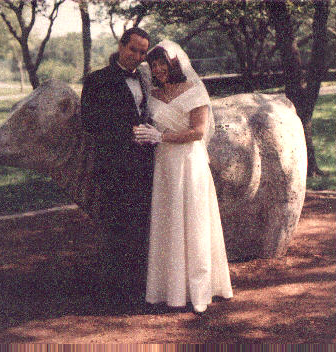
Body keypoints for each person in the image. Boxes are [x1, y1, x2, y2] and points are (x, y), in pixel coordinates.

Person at [134, 40, 233, 313]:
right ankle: (170, 289)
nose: (157, 69)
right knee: (169, 222)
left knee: (193, 221)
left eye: (162, 64)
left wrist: (161, 136)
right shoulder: (154, 93)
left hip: (189, 163)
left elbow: (199, 131)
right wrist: (146, 135)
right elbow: (154, 124)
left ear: (174, 64)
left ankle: (200, 289)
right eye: (153, 65)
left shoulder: (194, 90)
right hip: (164, 164)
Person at [80, 28, 154, 303]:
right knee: (117, 227)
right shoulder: (97, 80)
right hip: (114, 167)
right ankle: (117, 292)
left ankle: (140, 286)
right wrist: (127, 133)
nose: (137, 56)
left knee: (141, 226)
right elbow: (89, 123)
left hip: (145, 166)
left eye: (142, 52)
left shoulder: (146, 79)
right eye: (133, 49)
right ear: (121, 46)